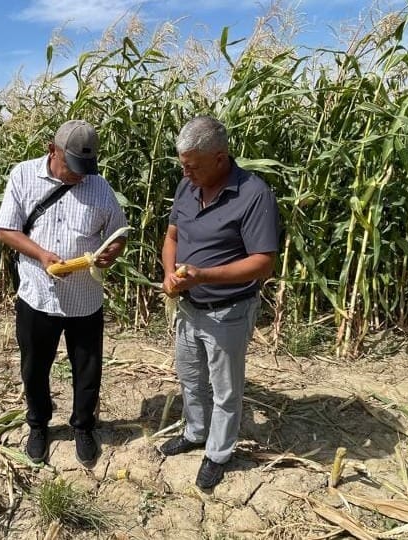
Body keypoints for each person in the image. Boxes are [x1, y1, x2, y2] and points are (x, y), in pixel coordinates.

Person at [0, 119, 128, 467]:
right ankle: (38, 425)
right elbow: (5, 229)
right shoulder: (23, 176)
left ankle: (84, 426)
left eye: (85, 168)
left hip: (84, 300)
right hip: (37, 295)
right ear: (52, 150)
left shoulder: (100, 187)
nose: (79, 176)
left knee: (87, 371)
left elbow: (119, 234)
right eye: (72, 167)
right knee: (34, 368)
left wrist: (112, 252)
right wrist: (41, 254)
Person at [159, 116, 280, 489]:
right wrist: (169, 274)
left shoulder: (253, 194)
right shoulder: (186, 186)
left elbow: (263, 262)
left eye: (193, 166)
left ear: (221, 158)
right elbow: (172, 237)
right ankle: (196, 432)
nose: (186, 172)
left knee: (226, 389)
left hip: (227, 311)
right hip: (189, 307)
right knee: (191, 378)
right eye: (183, 165)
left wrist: (204, 276)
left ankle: (218, 452)